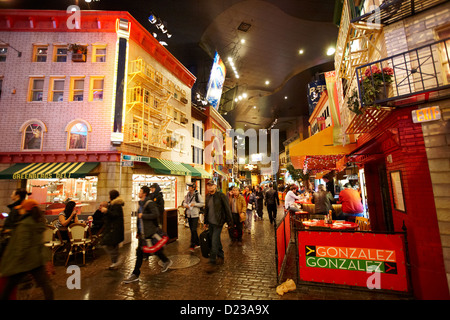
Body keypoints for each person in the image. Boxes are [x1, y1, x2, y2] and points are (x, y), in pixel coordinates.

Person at [0, 199, 54, 300]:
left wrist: (15, 260)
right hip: (36, 260)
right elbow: (40, 243)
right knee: (45, 285)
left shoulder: (24, 224)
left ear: (26, 209)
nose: (20, 210)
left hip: (23, 262)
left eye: (21, 208)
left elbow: (22, 245)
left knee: (9, 286)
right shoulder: (37, 222)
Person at [123, 186, 172, 283]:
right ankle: (165, 261)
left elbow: (156, 214)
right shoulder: (140, 203)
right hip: (143, 233)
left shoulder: (149, 203)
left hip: (149, 232)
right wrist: (138, 231)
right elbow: (138, 219)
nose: (139, 193)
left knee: (142, 253)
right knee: (148, 251)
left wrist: (143, 216)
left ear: (144, 193)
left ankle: (135, 274)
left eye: (140, 191)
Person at [204, 180, 233, 273]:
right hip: (211, 223)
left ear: (215, 186)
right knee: (215, 240)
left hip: (218, 222)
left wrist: (230, 222)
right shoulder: (207, 197)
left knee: (214, 241)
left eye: (211, 185)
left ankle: (212, 262)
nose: (210, 187)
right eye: (208, 186)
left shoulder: (221, 196)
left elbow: (227, 209)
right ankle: (221, 255)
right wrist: (205, 222)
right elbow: (206, 210)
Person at [100, 190, 124, 270]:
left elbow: (115, 215)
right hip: (114, 229)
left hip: (113, 229)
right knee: (114, 245)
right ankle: (114, 263)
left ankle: (116, 258)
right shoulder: (114, 204)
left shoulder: (116, 205)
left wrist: (107, 211)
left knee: (105, 243)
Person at [183, 183, 204, 252]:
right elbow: (184, 202)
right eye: (188, 186)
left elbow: (202, 203)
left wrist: (194, 204)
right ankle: (198, 243)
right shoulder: (187, 195)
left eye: (190, 187)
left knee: (194, 229)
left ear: (193, 187)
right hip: (189, 214)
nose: (189, 188)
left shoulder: (197, 195)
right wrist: (185, 205)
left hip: (195, 214)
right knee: (192, 229)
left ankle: (192, 245)